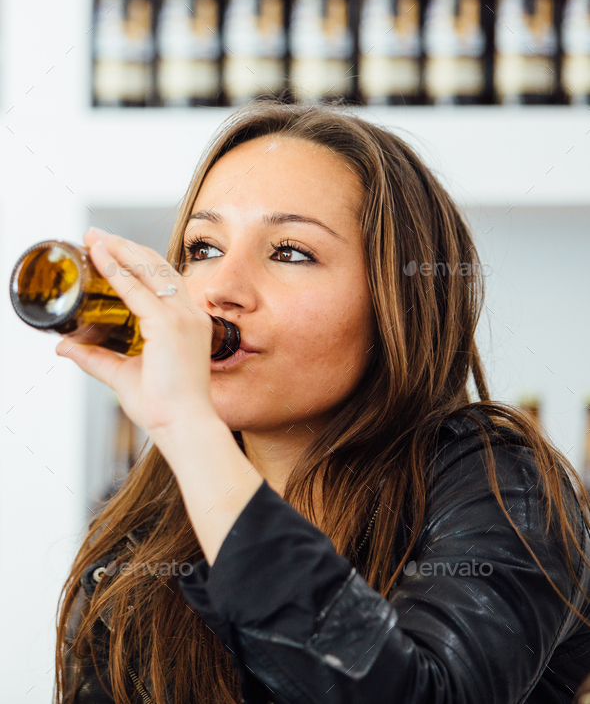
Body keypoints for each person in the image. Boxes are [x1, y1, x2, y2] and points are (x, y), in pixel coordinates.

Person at [53, 101, 590, 704]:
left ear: (396, 302)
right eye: (204, 248)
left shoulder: (499, 484)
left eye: (289, 252)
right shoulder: (146, 539)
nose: (221, 291)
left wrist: (187, 429)